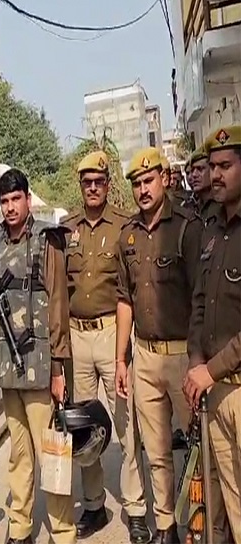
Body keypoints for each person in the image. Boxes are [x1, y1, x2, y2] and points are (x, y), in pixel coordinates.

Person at [0, 168, 75, 544]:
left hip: (38, 362)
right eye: (4, 201)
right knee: (18, 455)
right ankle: (20, 527)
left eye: (16, 199)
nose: (10, 207)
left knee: (51, 453)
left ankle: (62, 531)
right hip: (7, 364)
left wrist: (58, 369)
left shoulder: (45, 240)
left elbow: (57, 306)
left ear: (28, 199)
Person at [115, 147, 202, 544]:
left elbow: (202, 298)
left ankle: (202, 522)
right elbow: (124, 300)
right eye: (136, 184)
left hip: (184, 355)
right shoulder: (128, 235)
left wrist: (200, 358)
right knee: (157, 451)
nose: (142, 189)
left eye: (148, 181)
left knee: (200, 448)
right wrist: (121, 359)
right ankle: (166, 524)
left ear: (164, 179)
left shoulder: (186, 227)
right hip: (145, 358)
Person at [61, 151, 149, 542]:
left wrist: (125, 353)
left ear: (108, 184)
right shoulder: (67, 230)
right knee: (84, 428)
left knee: (125, 422)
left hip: (114, 331)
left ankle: (135, 507)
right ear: (80, 186)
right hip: (77, 335)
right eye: (86, 182)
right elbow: (59, 288)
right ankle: (94, 505)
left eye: (98, 181)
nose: (92, 187)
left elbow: (132, 285)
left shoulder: (123, 225)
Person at [184, 124, 241, 543]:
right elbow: (199, 305)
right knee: (230, 503)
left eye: (226, 165)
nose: (216, 174)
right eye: (213, 166)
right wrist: (195, 363)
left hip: (235, 385)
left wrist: (212, 369)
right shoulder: (212, 230)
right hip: (214, 389)